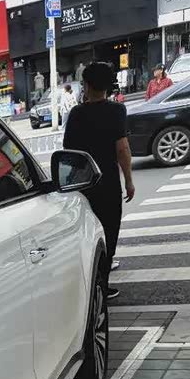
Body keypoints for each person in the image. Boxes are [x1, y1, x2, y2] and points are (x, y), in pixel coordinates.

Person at [64, 62, 135, 301]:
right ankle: (102, 286)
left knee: (86, 234)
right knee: (108, 231)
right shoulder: (117, 111)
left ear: (86, 85)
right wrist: (129, 181)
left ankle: (88, 286)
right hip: (108, 184)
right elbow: (122, 149)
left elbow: (68, 151)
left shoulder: (76, 114)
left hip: (82, 185)